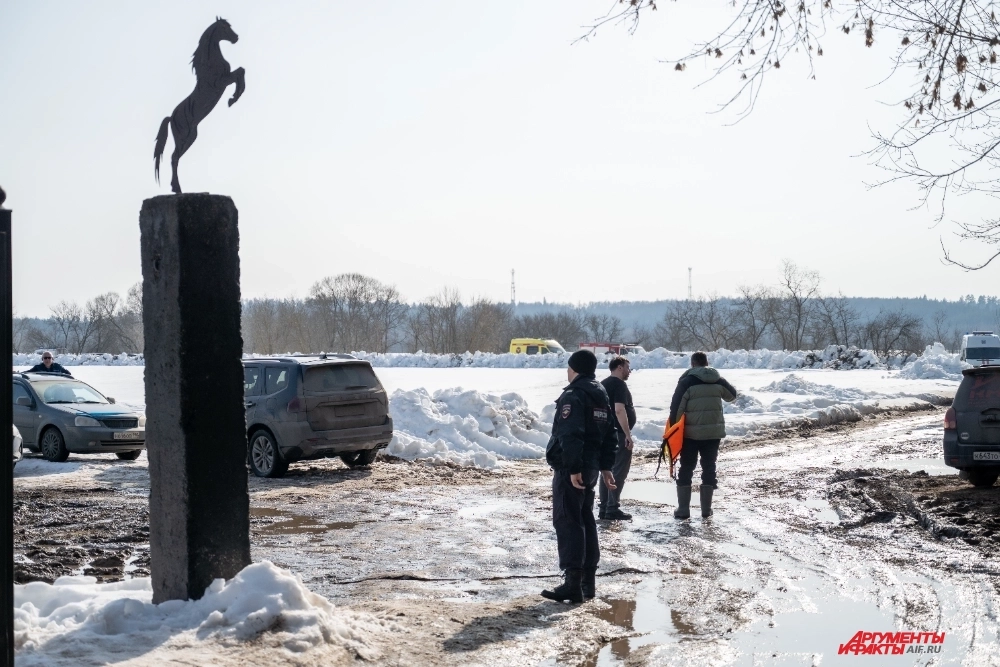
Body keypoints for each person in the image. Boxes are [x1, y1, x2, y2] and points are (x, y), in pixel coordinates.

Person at [541, 349, 619, 603]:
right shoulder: (600, 393)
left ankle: (572, 583)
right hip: (592, 467)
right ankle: (588, 582)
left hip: (573, 469)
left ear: (573, 369)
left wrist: (573, 468)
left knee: (568, 520)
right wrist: (605, 467)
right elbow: (610, 434)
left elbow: (571, 434)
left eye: (568, 368)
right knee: (585, 519)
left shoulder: (574, 395)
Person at [668, 351, 737, 519]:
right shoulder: (717, 379)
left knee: (687, 467)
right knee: (709, 466)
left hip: (690, 434)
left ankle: (683, 509)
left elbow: (676, 408)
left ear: (692, 364)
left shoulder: (687, 382)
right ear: (707, 363)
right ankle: (706, 510)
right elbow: (732, 396)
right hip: (713, 433)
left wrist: (673, 430)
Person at [598, 356, 636, 521]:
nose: (629, 371)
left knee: (606, 469)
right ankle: (612, 508)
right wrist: (627, 434)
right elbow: (619, 409)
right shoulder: (619, 385)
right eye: (627, 368)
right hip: (618, 434)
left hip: (604, 433)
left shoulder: (603, 384)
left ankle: (604, 507)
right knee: (619, 470)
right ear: (619, 367)